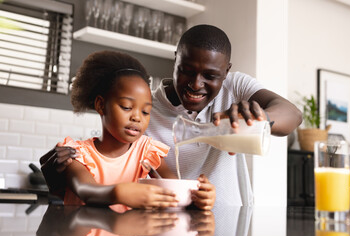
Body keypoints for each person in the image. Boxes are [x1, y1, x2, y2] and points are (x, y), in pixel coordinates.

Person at [41, 24, 302, 206]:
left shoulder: (235, 87)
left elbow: (292, 115)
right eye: (187, 70)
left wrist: (262, 118)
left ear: (226, 71)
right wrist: (60, 175)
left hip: (226, 219)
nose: (196, 84)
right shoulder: (147, 108)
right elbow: (107, 167)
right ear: (175, 60)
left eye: (210, 76)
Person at [43, 50, 215, 210]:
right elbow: (87, 190)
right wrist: (119, 193)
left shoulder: (146, 151)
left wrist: (199, 196)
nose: (137, 117)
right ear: (101, 105)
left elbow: (175, 189)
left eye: (146, 111)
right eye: (126, 107)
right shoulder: (77, 153)